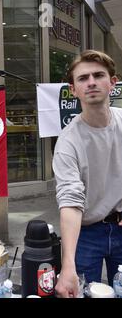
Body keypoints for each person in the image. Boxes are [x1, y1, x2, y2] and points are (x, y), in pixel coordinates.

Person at [53, 50, 122, 298]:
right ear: (73, 89)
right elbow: (70, 202)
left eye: (98, 75)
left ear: (112, 82)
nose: (91, 82)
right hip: (86, 232)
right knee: (81, 292)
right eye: (83, 78)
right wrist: (67, 266)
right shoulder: (67, 143)